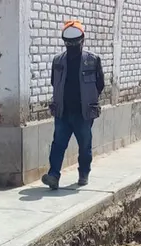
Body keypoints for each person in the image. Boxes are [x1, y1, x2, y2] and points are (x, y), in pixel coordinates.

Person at [42, 21, 105, 190]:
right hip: (63, 112)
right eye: (69, 42)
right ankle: (53, 176)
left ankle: (83, 173)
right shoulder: (58, 61)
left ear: (82, 40)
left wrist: (87, 99)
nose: (72, 45)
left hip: (83, 114)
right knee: (58, 145)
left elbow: (100, 84)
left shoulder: (92, 60)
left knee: (85, 145)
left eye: (75, 41)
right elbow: (54, 82)